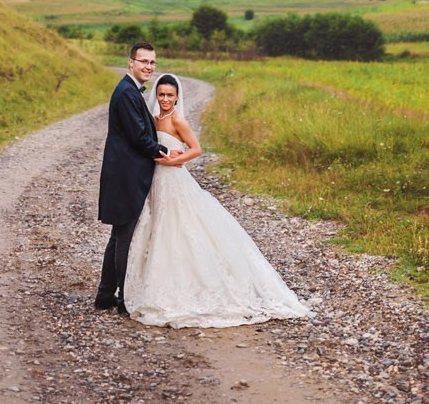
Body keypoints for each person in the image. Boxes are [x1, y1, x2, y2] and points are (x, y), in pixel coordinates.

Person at [124, 73, 313, 328]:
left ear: (177, 97)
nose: (165, 99)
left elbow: (196, 149)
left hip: (174, 179)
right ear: (156, 96)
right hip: (156, 181)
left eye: (170, 95)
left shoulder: (178, 120)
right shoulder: (154, 119)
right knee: (158, 224)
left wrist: (174, 160)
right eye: (161, 95)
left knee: (178, 226)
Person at [95, 43, 187, 314]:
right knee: (125, 238)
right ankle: (125, 299)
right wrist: (167, 153)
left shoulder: (129, 91)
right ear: (131, 63)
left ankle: (105, 294)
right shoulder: (126, 93)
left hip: (122, 174)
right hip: (125, 176)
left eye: (152, 62)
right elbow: (138, 137)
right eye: (143, 61)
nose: (148, 67)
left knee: (118, 236)